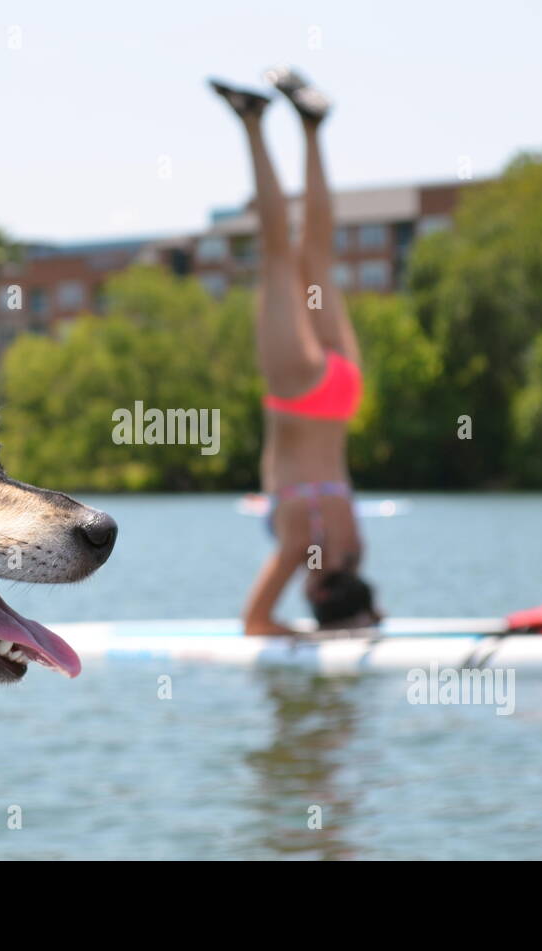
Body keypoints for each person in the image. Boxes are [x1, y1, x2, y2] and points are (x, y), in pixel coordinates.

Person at [211, 67, 382, 637]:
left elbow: (351, 594)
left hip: (341, 391)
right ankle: (254, 122)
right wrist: (307, 636)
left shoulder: (353, 546)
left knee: (315, 257)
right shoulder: (300, 551)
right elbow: (254, 623)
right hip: (300, 393)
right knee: (280, 257)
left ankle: (311, 127)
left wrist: (360, 618)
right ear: (316, 593)